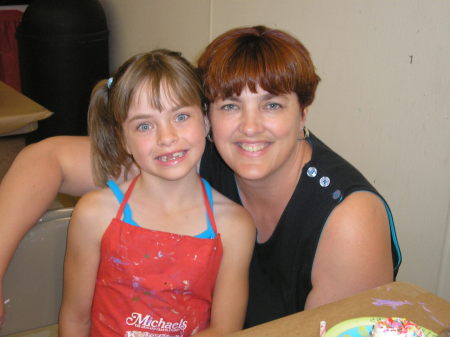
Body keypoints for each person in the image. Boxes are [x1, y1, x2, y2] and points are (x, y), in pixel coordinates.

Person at [0, 26, 401, 329]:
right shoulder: (190, 159)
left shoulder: (349, 221)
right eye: (230, 105)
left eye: (272, 104)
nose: (249, 127)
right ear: (208, 117)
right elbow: (46, 158)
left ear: (304, 111)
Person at [57, 50, 255, 336]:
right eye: (145, 125)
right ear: (122, 138)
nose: (167, 138)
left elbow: (225, 329)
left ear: (206, 120)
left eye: (181, 116)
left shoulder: (234, 226)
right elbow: (75, 320)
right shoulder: (95, 214)